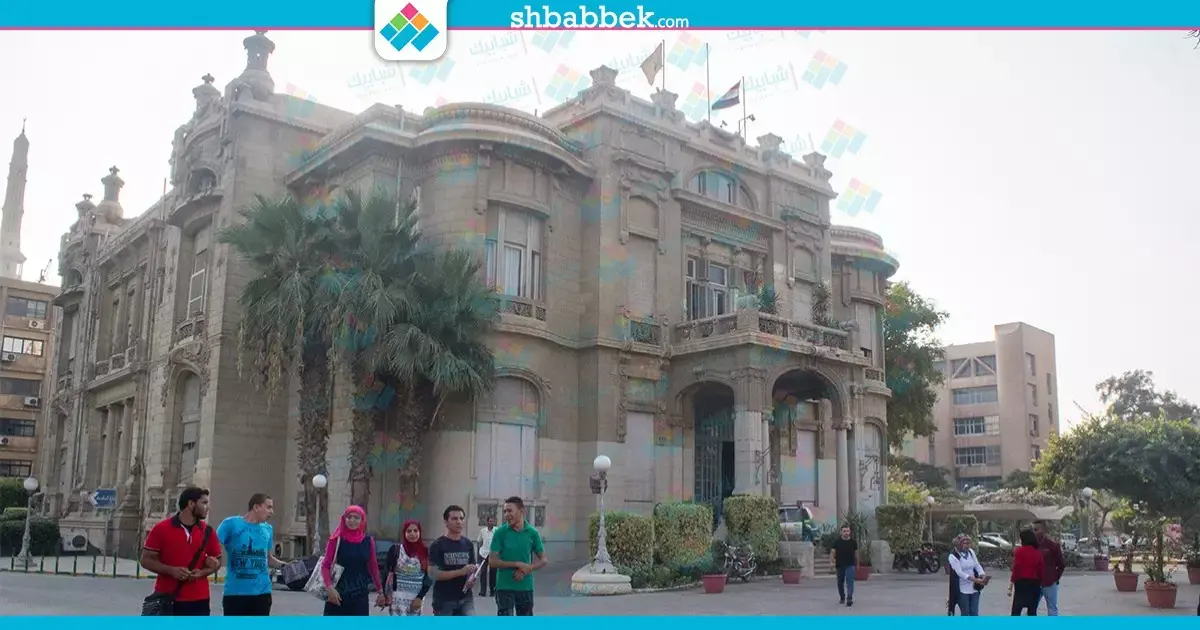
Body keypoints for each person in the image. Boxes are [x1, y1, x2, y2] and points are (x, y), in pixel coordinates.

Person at [140, 487, 223, 616]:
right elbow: (145, 560)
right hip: (168, 598)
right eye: (204, 503)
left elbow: (218, 561)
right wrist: (171, 571)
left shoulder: (208, 531)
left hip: (200, 600)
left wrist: (203, 572)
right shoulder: (161, 529)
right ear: (191, 504)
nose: (208, 507)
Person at [217, 493, 285, 616]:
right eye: (268, 507)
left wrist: (286, 566)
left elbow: (268, 558)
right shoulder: (231, 524)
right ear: (256, 507)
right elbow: (212, 545)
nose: (272, 512)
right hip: (235, 593)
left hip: (262, 593)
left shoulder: (268, 529)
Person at [488, 496, 547, 616]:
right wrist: (517, 564)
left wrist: (527, 569)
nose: (506, 515)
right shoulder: (500, 533)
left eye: (510, 511)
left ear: (521, 511)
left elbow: (543, 560)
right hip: (504, 586)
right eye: (505, 511)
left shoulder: (532, 533)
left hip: (525, 586)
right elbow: (492, 561)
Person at [321, 505, 383, 616]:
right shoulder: (336, 540)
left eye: (356, 518)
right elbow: (325, 565)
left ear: (362, 520)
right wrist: (329, 588)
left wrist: (380, 591)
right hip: (337, 594)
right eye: (349, 517)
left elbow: (373, 568)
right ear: (344, 519)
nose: (352, 520)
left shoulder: (368, 542)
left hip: (360, 595)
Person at [428, 505, 478, 616]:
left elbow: (472, 569)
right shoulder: (437, 545)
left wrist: (472, 579)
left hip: (466, 599)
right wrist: (460, 572)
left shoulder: (468, 544)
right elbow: (433, 574)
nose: (459, 522)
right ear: (446, 522)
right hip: (444, 600)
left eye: (461, 518)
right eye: (454, 518)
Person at [382, 519, 433, 616]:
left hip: (416, 599)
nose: (412, 534)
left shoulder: (425, 552)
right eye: (409, 531)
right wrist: (383, 594)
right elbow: (386, 573)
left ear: (420, 532)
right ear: (404, 533)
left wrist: (420, 597)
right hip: (397, 599)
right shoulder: (395, 550)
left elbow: (429, 577)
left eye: (415, 531)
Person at [1031, 520, 1066, 616]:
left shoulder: (1052, 545)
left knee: (1052, 609)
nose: (1034, 532)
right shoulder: (1031, 546)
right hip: (1034, 582)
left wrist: (1055, 578)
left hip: (1049, 583)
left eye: (1036, 530)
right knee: (1031, 608)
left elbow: (1061, 564)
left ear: (1043, 530)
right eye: (1033, 530)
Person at [949, 534, 989, 616]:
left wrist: (982, 575)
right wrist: (975, 579)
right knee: (965, 613)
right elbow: (959, 573)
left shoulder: (971, 552)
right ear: (959, 544)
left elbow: (976, 565)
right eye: (965, 543)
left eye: (969, 543)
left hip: (974, 587)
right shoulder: (953, 556)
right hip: (962, 589)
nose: (968, 546)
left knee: (974, 612)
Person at [1008, 529, 1045, 615]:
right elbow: (1041, 571)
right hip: (1034, 583)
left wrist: (1011, 584)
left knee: (1016, 610)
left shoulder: (1019, 551)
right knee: (1032, 611)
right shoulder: (1038, 553)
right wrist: (1040, 583)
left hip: (1021, 583)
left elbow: (1017, 569)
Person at [830, 525, 858, 607]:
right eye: (844, 531)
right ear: (841, 532)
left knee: (850, 581)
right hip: (840, 565)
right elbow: (832, 553)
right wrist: (832, 562)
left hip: (850, 564)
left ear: (850, 532)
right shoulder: (837, 542)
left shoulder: (853, 542)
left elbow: (856, 553)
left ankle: (849, 598)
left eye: (847, 531)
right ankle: (842, 597)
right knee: (840, 582)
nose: (846, 533)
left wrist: (858, 564)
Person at [476, 515, 498, 597]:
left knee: (493, 573)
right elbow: (479, 541)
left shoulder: (497, 530)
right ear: (487, 522)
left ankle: (493, 590)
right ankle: (482, 591)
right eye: (490, 521)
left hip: (493, 554)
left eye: (493, 521)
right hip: (483, 554)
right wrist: (479, 552)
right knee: (483, 573)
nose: (491, 523)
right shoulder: (483, 531)